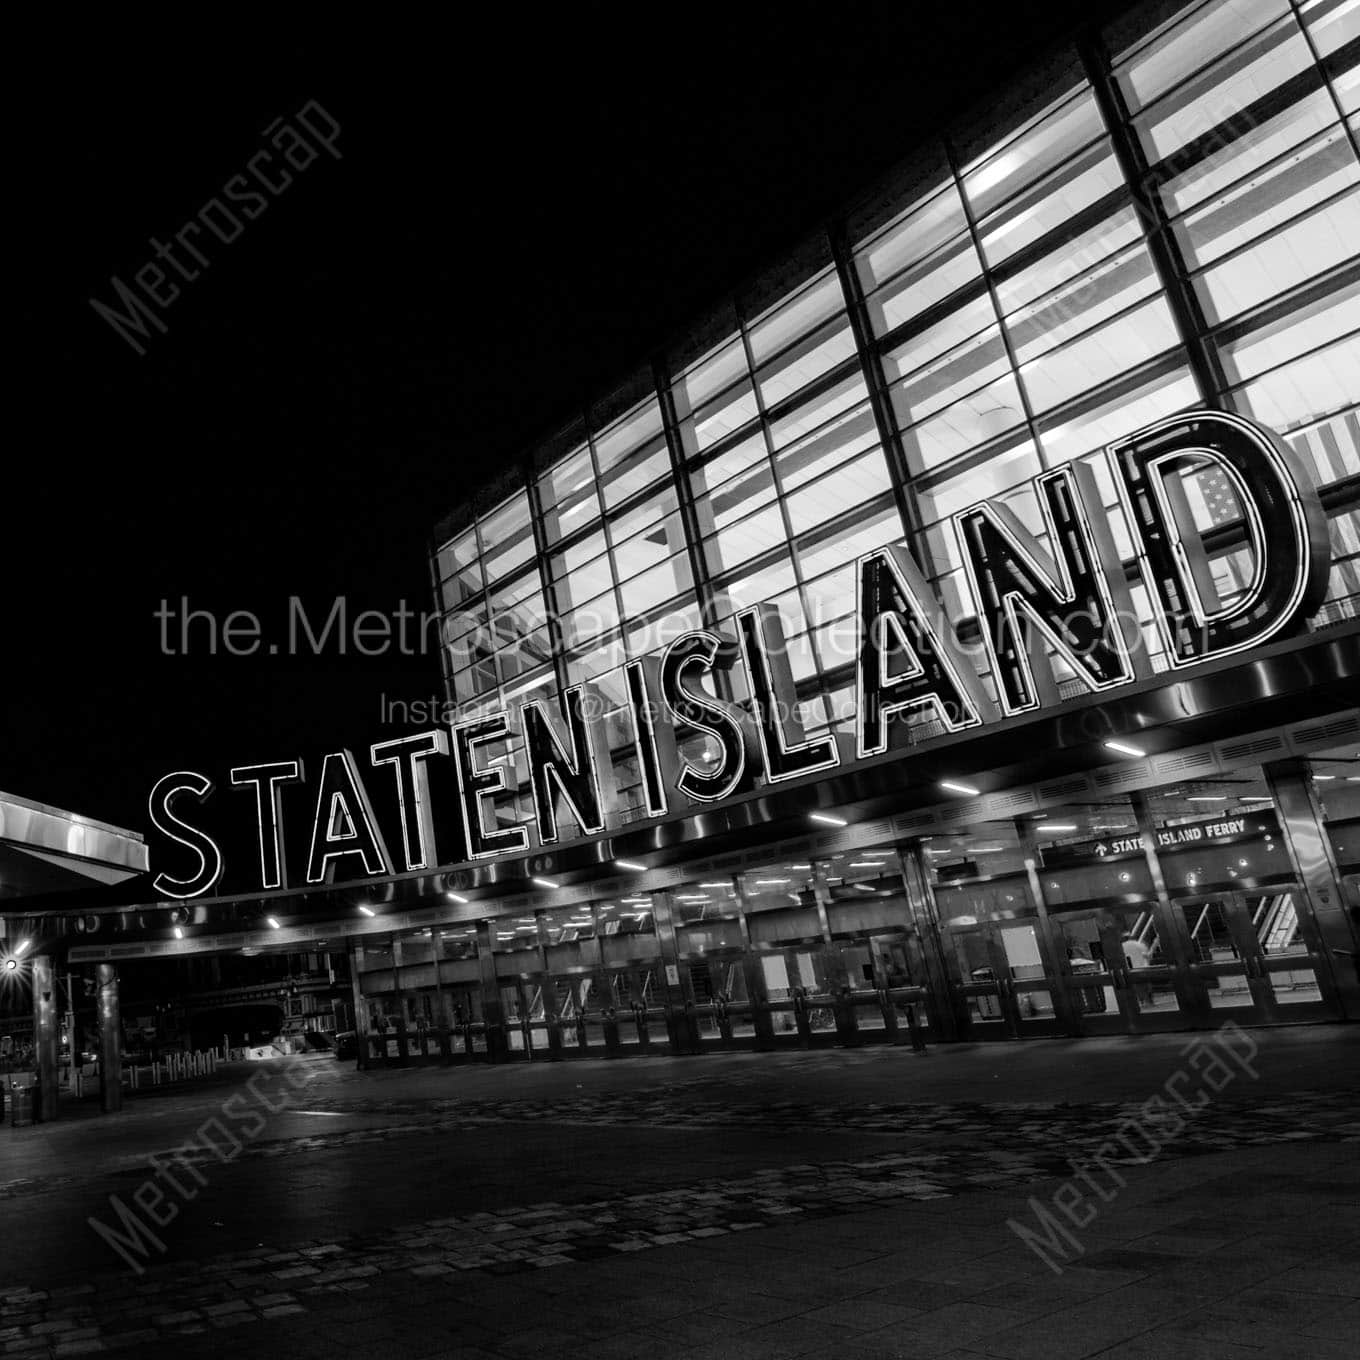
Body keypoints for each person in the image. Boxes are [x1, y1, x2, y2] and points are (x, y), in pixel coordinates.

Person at [1121, 932, 1154, 1006]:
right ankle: (1149, 1000)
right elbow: (1147, 955)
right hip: (1143, 968)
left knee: (1136, 986)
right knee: (1146, 984)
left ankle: (1141, 1001)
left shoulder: (1121, 947)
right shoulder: (1139, 944)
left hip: (1131, 969)